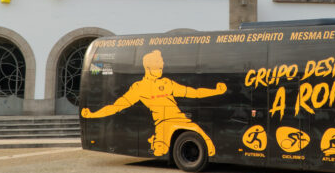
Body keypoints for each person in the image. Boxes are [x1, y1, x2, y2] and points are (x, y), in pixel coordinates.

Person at [81, 49, 226, 157]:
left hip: (182, 121)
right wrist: (92, 114)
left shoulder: (166, 83)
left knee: (210, 149)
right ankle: (156, 140)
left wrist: (216, 91)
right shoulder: (139, 88)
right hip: (162, 124)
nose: (162, 66)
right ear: (148, 67)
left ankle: (156, 140)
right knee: (160, 150)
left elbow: (194, 92)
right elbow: (116, 107)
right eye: (159, 63)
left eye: (161, 63)